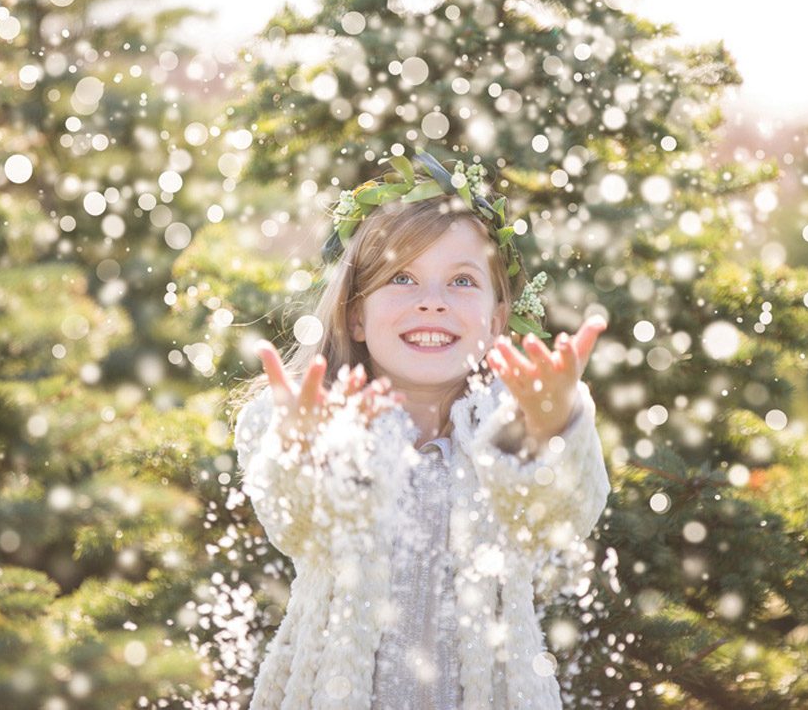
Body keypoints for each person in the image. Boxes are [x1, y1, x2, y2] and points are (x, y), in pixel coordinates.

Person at [230, 149, 611, 710]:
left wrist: (550, 428)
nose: (431, 303)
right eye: (402, 278)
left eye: (461, 281)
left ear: (497, 318)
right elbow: (298, 519)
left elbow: (561, 517)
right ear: (355, 314)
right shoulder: (310, 416)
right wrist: (303, 450)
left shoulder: (513, 419)